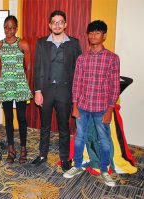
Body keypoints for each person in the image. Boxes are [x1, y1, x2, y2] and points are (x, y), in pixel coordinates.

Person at [63, 20, 120, 187]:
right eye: (91, 33)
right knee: (79, 137)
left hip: (102, 107)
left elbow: (114, 86)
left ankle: (104, 170)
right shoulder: (82, 58)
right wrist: (74, 105)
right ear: (88, 36)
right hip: (82, 106)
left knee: (104, 139)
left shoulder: (112, 58)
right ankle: (78, 165)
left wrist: (110, 108)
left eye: (98, 33)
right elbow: (77, 83)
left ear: (104, 36)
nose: (94, 36)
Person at [32, 10, 82, 171]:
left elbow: (78, 70)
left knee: (64, 127)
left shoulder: (74, 43)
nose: (57, 25)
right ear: (49, 25)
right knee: (44, 125)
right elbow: (37, 67)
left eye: (60, 22)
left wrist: (77, 94)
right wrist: (37, 91)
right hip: (46, 91)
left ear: (65, 24)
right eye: (54, 22)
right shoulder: (41, 43)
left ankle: (65, 158)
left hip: (65, 91)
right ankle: (42, 154)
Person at [0, 15, 33, 164]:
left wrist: (27, 84)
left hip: (20, 85)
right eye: (6, 27)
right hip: (6, 85)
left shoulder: (23, 44)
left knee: (22, 118)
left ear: (16, 28)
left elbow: (28, 66)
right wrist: (3, 81)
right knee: (9, 118)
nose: (8, 30)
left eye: (12, 27)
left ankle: (23, 147)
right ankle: (11, 148)